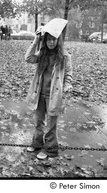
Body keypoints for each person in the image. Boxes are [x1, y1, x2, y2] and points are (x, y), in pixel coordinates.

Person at [24, 21, 73, 160]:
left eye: (54, 39)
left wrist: (68, 86)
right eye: (48, 39)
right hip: (39, 93)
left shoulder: (64, 56)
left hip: (54, 95)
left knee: (51, 125)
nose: (51, 42)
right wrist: (36, 40)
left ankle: (50, 149)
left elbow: (69, 74)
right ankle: (37, 143)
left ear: (58, 40)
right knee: (38, 122)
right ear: (45, 40)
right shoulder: (42, 53)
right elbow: (28, 58)